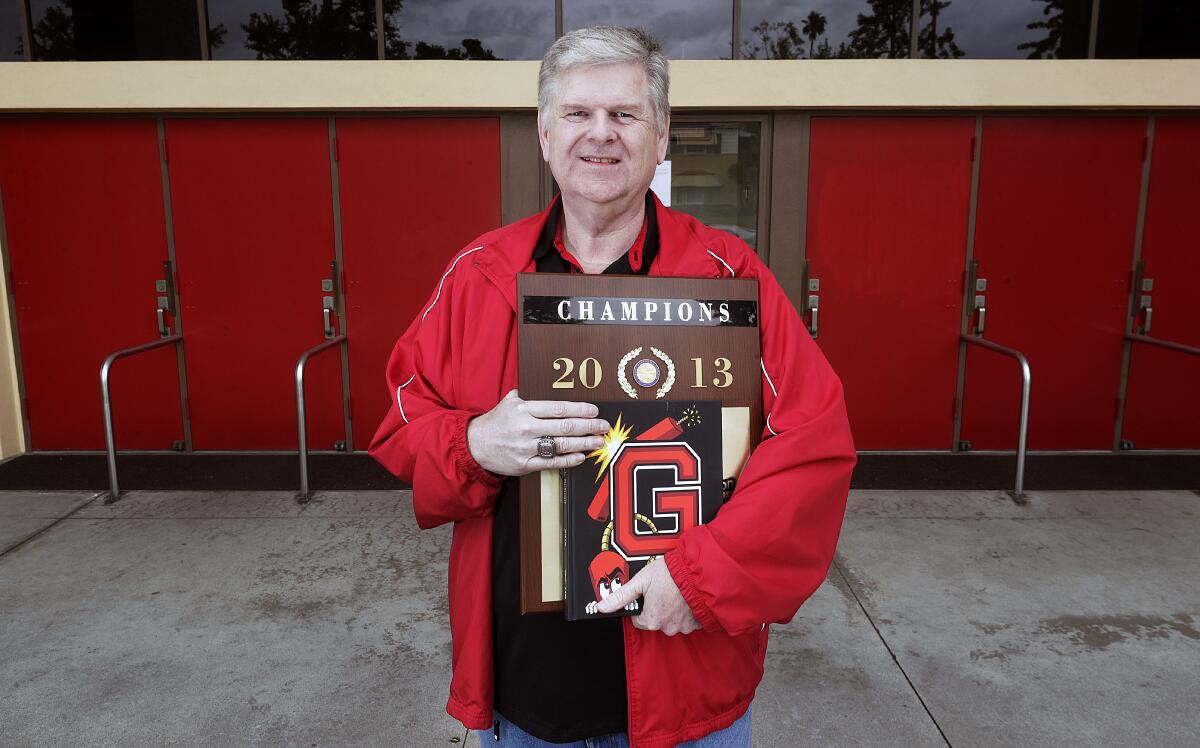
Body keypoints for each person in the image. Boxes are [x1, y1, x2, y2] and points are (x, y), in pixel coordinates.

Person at [369, 26, 855, 748]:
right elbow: (404, 419)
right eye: (578, 114)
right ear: (544, 132)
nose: (601, 135)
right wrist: (471, 441)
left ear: (662, 137)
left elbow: (814, 444)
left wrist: (702, 578)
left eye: (625, 115)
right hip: (527, 693)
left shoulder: (727, 275)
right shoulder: (480, 274)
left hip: (688, 686)